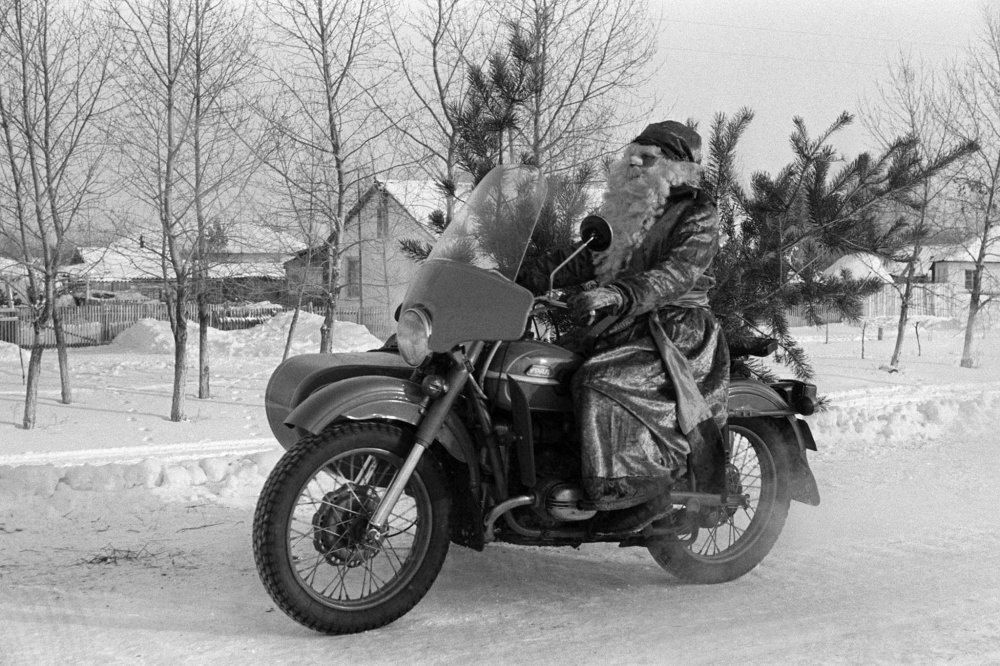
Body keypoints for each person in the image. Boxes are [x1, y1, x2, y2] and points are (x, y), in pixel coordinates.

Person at [517, 120, 729, 532]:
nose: (633, 161)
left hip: (674, 329)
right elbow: (582, 259)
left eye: (646, 157)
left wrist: (618, 295)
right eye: (632, 153)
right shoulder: (628, 210)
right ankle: (551, 478)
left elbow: (676, 274)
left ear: (675, 167)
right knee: (545, 370)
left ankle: (640, 491)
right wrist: (516, 275)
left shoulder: (698, 213)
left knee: (599, 380)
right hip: (621, 322)